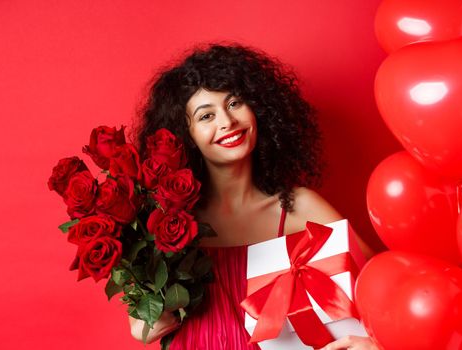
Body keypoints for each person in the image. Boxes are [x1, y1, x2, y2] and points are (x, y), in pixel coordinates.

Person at [130, 43, 378, 349]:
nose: (227, 122)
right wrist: (147, 319)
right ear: (186, 135)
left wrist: (373, 342)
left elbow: (383, 284)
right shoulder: (168, 223)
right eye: (206, 116)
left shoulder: (298, 207)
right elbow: (143, 328)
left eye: (235, 104)